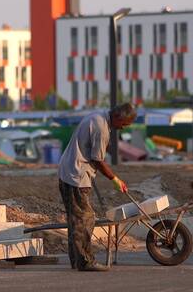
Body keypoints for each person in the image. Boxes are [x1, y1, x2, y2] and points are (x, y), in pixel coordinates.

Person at [58, 103, 136, 271]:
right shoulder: (101, 127)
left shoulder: (98, 116)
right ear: (117, 117)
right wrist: (115, 179)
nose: (123, 128)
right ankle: (86, 262)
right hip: (76, 175)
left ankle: (76, 261)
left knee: (75, 220)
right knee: (85, 219)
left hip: (68, 171)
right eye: (124, 124)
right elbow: (97, 160)